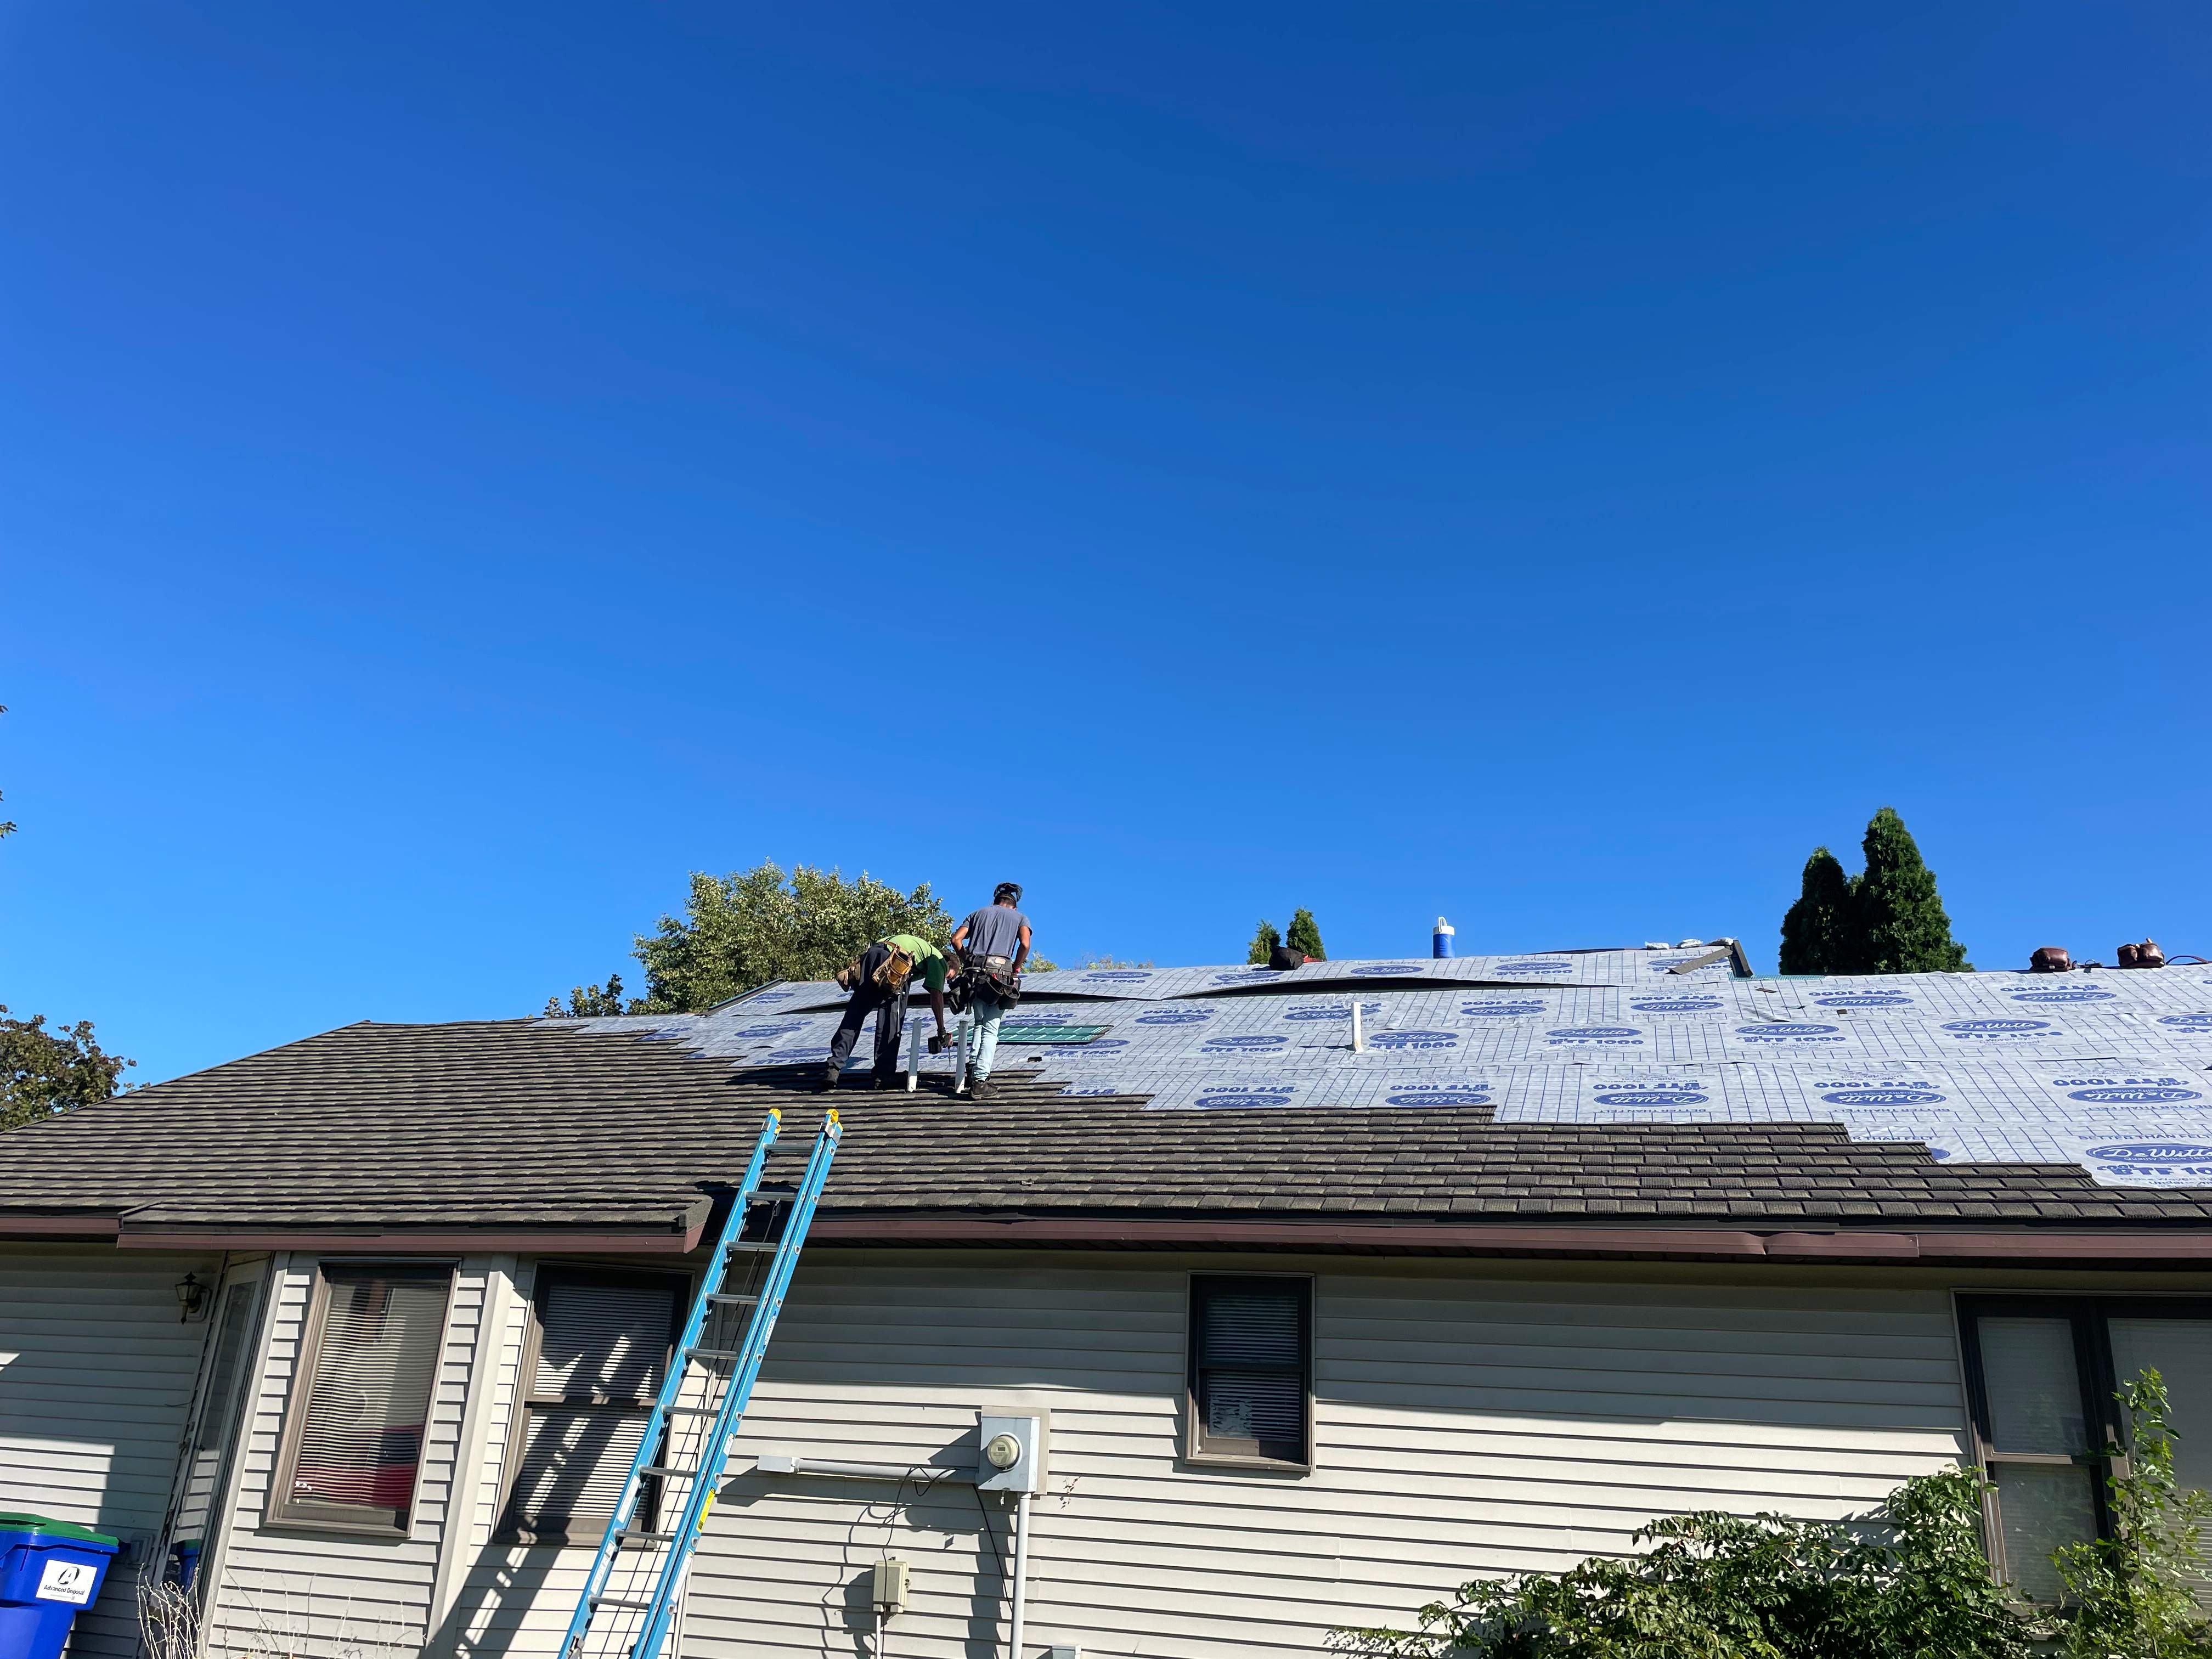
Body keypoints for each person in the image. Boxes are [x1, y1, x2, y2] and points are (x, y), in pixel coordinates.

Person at [822, 933, 953, 1091]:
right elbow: (936, 995)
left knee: (856, 1012)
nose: (946, 980)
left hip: (872, 955)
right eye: (950, 976)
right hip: (896, 961)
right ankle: (883, 1075)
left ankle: (833, 1067)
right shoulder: (938, 959)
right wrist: (942, 1030)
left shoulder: (921, 954)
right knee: (892, 1020)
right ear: (949, 965)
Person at [949, 882, 1033, 1099]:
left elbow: (956, 940)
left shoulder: (977, 914)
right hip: (998, 978)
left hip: (973, 976)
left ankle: (972, 1067)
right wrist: (1016, 967)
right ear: (1013, 906)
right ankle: (980, 1080)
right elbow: (1025, 944)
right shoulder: (1020, 918)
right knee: (991, 1028)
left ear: (995, 902)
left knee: (979, 1022)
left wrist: (967, 959)